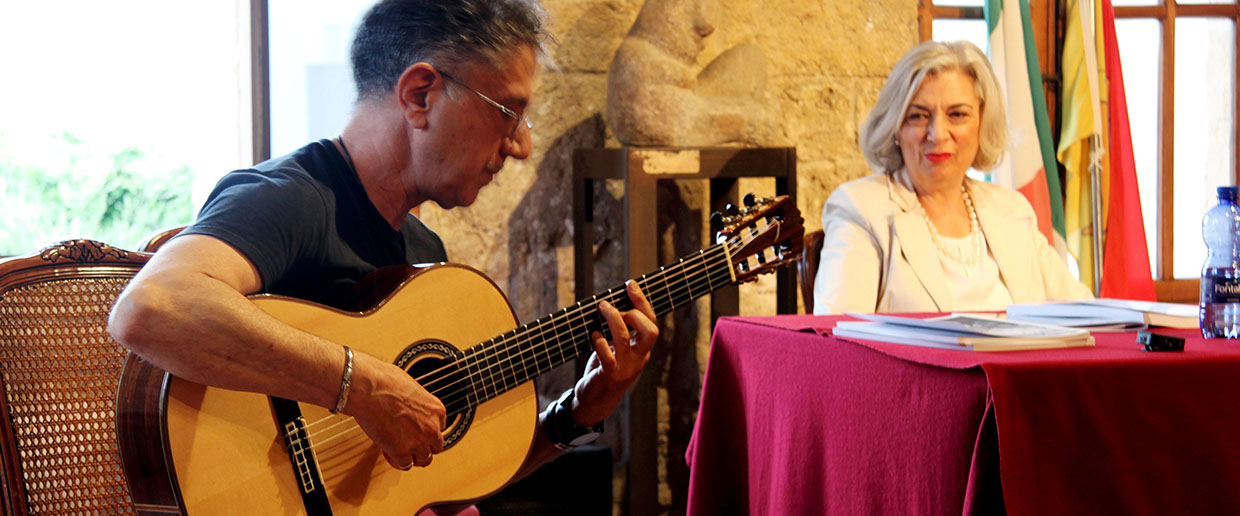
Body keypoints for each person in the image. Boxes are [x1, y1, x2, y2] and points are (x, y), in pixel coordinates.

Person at [107, 0, 658, 507]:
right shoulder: (289, 199)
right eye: (507, 112)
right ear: (421, 95)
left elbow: (443, 475)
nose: (520, 146)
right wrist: (359, 386)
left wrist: (579, 411)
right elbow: (151, 307)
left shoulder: (422, 257)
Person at [812, 40, 1092, 314]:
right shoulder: (860, 209)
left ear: (983, 122)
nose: (938, 134)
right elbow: (838, 340)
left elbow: (1087, 315)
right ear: (895, 128)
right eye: (918, 116)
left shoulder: (1012, 210)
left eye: (957, 114)